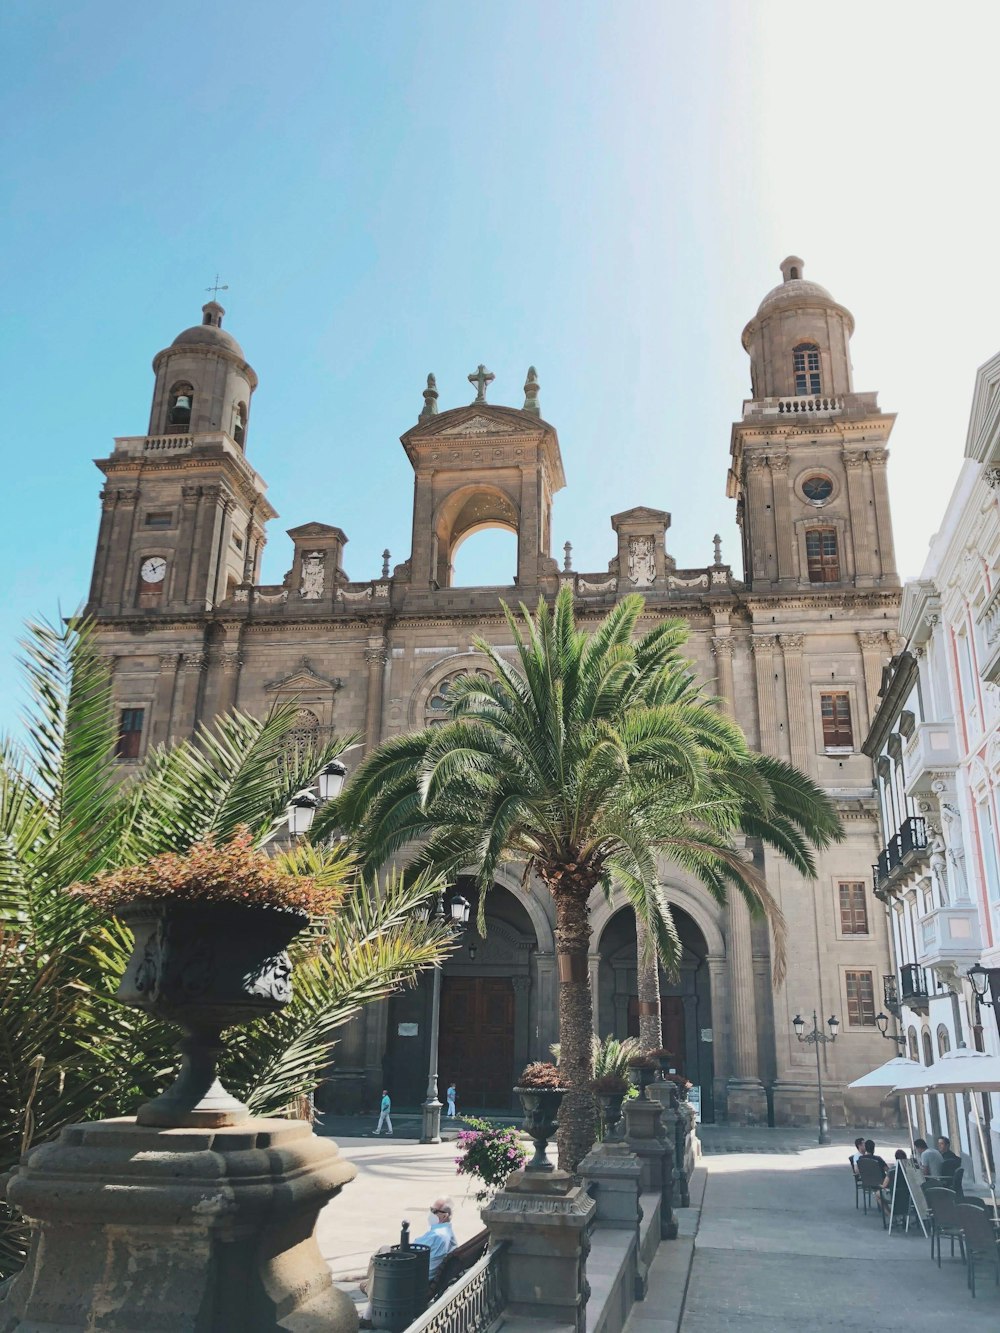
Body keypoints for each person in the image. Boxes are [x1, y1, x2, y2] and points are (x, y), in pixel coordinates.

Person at [359, 1197, 457, 1327]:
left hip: (414, 1279)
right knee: (383, 1255)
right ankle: (370, 1285)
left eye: (434, 1211)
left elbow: (408, 1251)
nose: (430, 1213)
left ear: (444, 1216)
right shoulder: (447, 1232)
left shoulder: (437, 1235)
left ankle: (368, 1312)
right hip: (421, 1274)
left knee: (383, 1254)